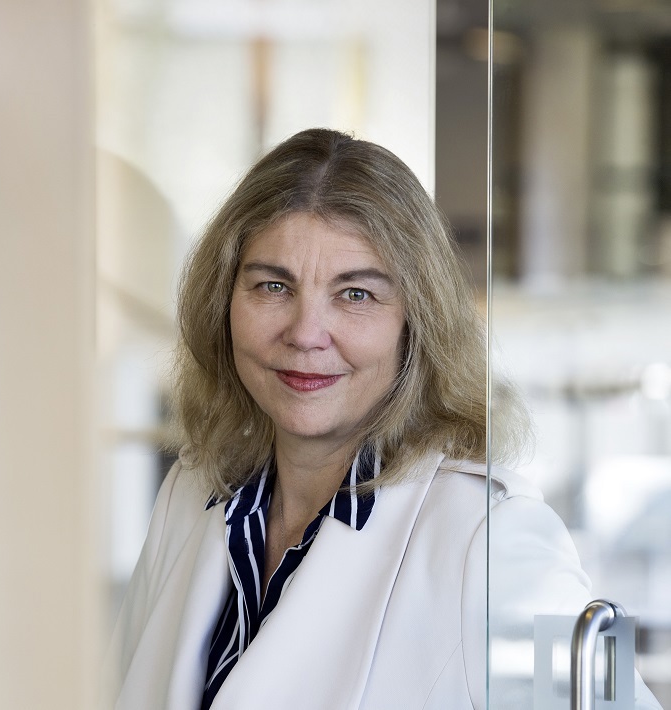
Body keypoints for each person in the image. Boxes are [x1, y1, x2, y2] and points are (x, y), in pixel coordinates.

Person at [105, 129, 661, 709]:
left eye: (356, 295)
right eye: (272, 286)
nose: (305, 334)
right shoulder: (190, 495)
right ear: (223, 302)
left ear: (416, 323)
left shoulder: (493, 538)